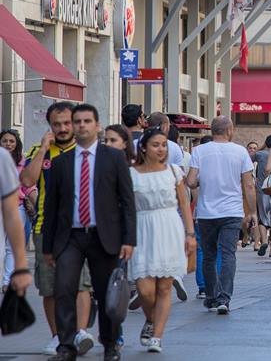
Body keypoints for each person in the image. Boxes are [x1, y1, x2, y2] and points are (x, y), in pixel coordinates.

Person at [43, 103, 135, 361]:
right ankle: (66, 345)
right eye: (77, 121)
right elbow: (51, 206)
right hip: (69, 237)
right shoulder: (61, 162)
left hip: (103, 236)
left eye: (87, 121)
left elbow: (127, 201)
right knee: (63, 288)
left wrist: (129, 239)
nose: (81, 125)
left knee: (107, 293)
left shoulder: (113, 158)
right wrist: (48, 247)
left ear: (97, 125)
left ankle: (110, 344)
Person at [21, 102, 96, 356]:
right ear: (50, 126)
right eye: (57, 124)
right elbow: (27, 181)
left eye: (67, 123)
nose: (63, 128)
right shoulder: (39, 151)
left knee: (81, 284)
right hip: (46, 228)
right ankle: (57, 336)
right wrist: (43, 148)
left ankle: (81, 332)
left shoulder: (87, 151)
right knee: (50, 287)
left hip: (81, 228)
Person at [129, 128, 196, 354]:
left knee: (165, 287)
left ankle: (157, 335)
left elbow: (184, 203)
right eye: (156, 144)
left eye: (164, 145)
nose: (161, 149)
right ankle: (151, 319)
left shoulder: (174, 171)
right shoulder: (132, 173)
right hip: (142, 228)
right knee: (145, 289)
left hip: (169, 226)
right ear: (144, 147)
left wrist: (190, 234)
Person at [184, 116, 256, 315]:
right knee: (227, 255)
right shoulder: (240, 152)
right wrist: (252, 212)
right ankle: (224, 298)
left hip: (206, 213)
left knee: (208, 255)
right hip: (232, 212)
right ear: (230, 130)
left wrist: (201, 181)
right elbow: (249, 185)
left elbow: (190, 181)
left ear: (213, 131)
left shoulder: (199, 151)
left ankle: (211, 296)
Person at [2, 128, 34, 291]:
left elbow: (27, 185)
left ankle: (7, 281)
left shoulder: (23, 162)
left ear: (17, 144)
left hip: (18, 207)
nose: (8, 144)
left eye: (11, 141)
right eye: (5, 141)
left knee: (11, 246)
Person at [252, 135, 271, 258]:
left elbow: (249, 158)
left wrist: (262, 147)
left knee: (262, 217)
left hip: (262, 189)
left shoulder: (260, 154)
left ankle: (263, 242)